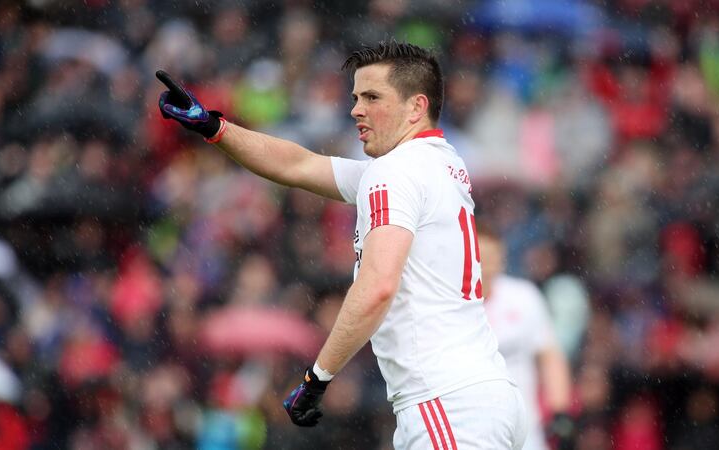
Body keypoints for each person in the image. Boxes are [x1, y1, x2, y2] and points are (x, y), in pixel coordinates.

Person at [157, 41, 527, 449]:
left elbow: (377, 286)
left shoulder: (395, 173)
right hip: (480, 396)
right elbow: (297, 165)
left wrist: (318, 377)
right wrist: (215, 127)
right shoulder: (440, 162)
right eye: (355, 97)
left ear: (415, 107)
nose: (355, 109)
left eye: (372, 97)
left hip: (446, 401)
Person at [478, 226, 575, 450]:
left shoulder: (524, 297)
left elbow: (549, 355)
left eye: (493, 258)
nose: (488, 266)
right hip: (470, 428)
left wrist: (560, 412)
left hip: (524, 429)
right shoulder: (450, 305)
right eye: (482, 258)